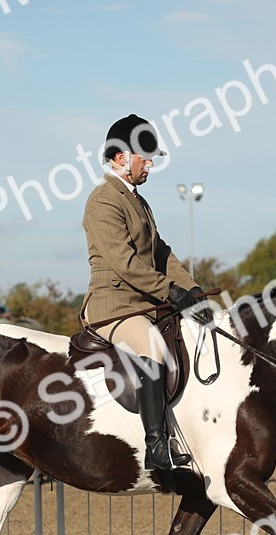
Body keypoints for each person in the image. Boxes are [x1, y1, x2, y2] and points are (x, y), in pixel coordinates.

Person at [81, 113, 212, 473]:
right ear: (122, 157)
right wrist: (172, 292)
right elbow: (126, 264)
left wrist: (191, 289)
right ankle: (157, 446)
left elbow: (161, 253)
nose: (151, 165)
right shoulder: (103, 201)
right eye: (145, 158)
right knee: (152, 346)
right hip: (114, 306)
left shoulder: (136, 200)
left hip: (142, 303)